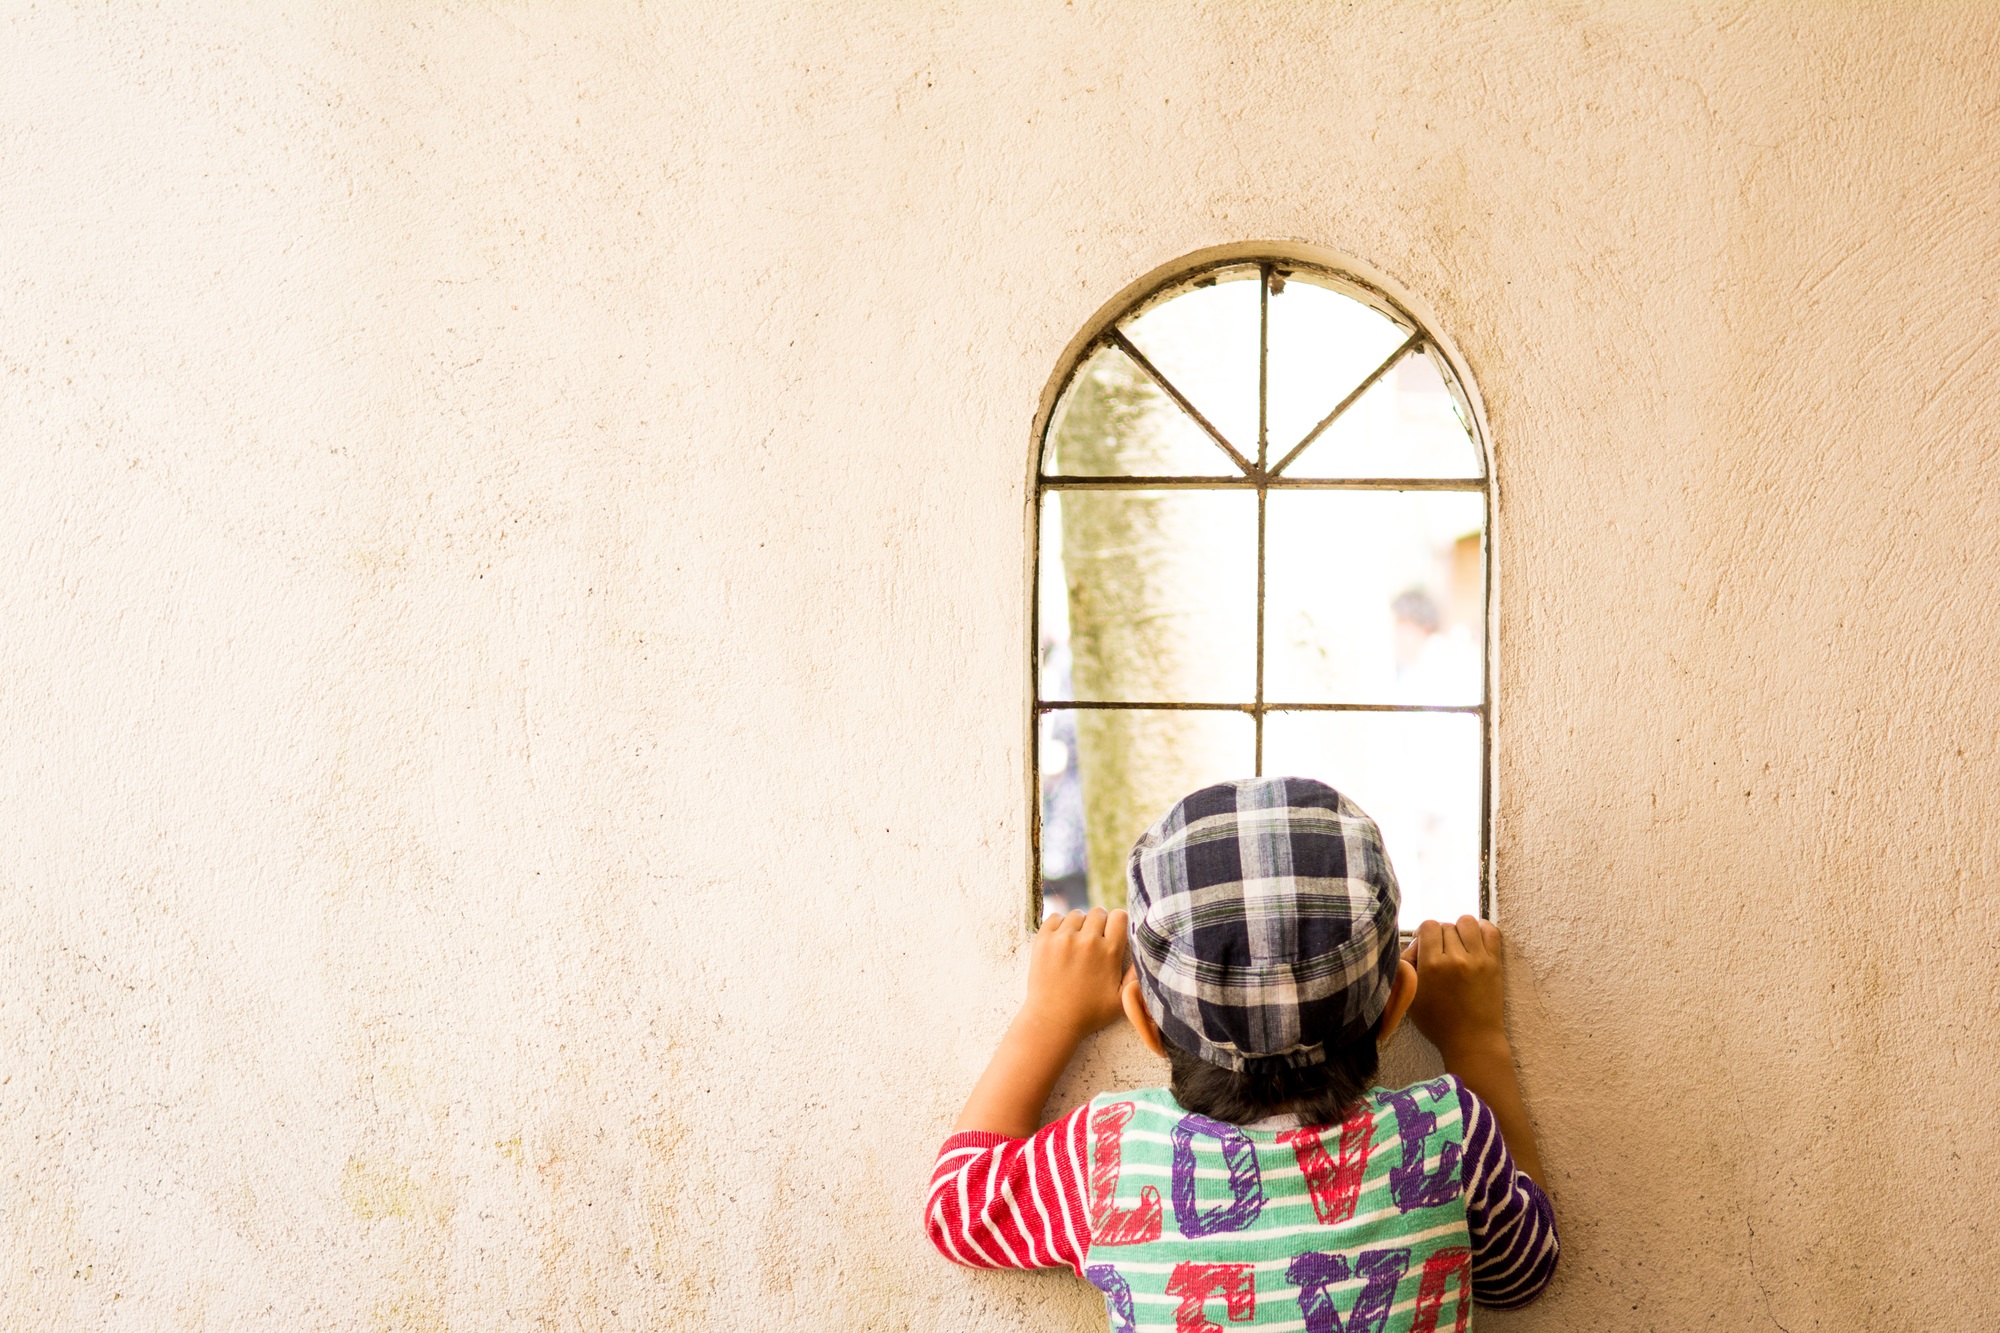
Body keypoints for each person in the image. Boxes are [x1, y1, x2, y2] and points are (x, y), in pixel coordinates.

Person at [925, 777, 1557, 1332]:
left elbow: (956, 1209)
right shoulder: (1449, 1135)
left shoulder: (1112, 1155)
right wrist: (1475, 1038)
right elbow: (1521, 1274)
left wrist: (1049, 1016)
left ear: (1143, 1021)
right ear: (1398, 1006)